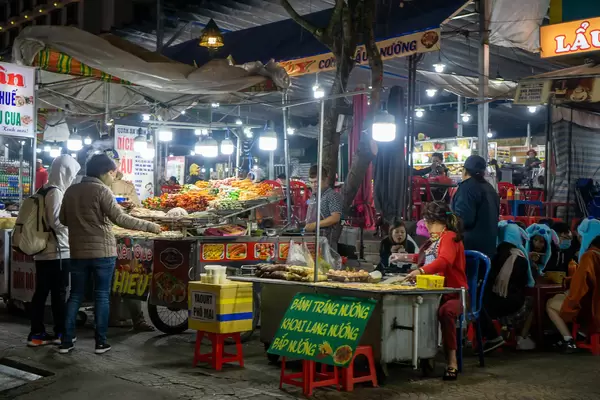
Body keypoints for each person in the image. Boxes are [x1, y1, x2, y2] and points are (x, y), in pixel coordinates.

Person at [59, 154, 161, 354]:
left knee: (75, 296)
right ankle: (100, 343)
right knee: (102, 296)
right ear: (104, 172)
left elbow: (63, 219)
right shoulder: (101, 190)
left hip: (78, 252)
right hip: (103, 253)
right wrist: (150, 226)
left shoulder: (71, 191)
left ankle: (66, 342)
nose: (114, 176)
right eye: (112, 172)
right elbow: (120, 219)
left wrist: (82, 224)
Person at [394, 202, 466, 381]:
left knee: (445, 312)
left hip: (454, 294)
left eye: (427, 221)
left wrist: (421, 271)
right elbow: (425, 259)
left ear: (435, 220)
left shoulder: (449, 237)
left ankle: (452, 362)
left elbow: (444, 261)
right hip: (433, 292)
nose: (425, 225)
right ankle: (423, 355)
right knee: (418, 308)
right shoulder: (434, 240)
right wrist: (403, 257)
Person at [27, 155, 81, 347]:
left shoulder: (42, 189)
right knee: (59, 293)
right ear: (65, 172)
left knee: (41, 292)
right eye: (71, 174)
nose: (73, 178)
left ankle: (36, 334)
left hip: (43, 250)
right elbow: (56, 222)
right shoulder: (56, 192)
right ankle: (60, 333)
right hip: (57, 251)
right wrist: (75, 223)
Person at [104, 150, 154, 331]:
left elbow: (137, 210)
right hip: (106, 237)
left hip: (126, 238)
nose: (111, 167)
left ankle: (137, 319)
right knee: (109, 279)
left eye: (114, 162)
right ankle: (111, 317)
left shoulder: (126, 185)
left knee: (131, 276)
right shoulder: (96, 186)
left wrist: (130, 206)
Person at [546, 218, 600, 353]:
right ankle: (581, 335)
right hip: (596, 306)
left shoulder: (589, 256)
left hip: (591, 311)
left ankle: (568, 340)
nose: (579, 240)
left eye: (581, 236)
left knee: (550, 304)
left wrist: (568, 301)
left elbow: (579, 290)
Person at [480, 220, 533, 354]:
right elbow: (525, 283)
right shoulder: (521, 258)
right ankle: (521, 338)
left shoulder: (492, 255)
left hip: (488, 305)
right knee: (532, 303)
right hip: (511, 305)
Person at [516, 223, 558, 350]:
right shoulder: (522, 255)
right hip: (520, 294)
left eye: (542, 242)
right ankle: (522, 337)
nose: (538, 244)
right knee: (535, 304)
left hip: (530, 292)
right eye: (535, 240)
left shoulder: (546, 258)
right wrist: (529, 261)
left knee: (540, 302)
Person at [451, 155, 500, 258]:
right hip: (489, 249)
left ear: (464, 171)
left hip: (470, 250)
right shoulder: (490, 188)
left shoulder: (466, 188)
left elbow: (463, 219)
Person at [304, 165, 343, 250]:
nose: (314, 185)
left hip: (326, 241)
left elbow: (335, 218)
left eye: (316, 181)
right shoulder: (315, 196)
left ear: (326, 179)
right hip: (314, 239)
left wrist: (314, 225)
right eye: (311, 182)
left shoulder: (332, 195)